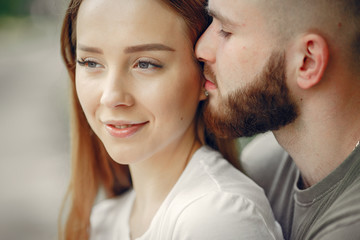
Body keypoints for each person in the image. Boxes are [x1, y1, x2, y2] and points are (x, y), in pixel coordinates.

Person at [59, 0, 284, 239]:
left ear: (204, 74)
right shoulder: (104, 221)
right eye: (91, 62)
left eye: (145, 64)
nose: (111, 97)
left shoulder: (216, 217)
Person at [195, 0, 360, 239]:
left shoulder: (350, 226)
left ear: (307, 61)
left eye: (226, 31)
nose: (201, 49)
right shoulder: (263, 166)